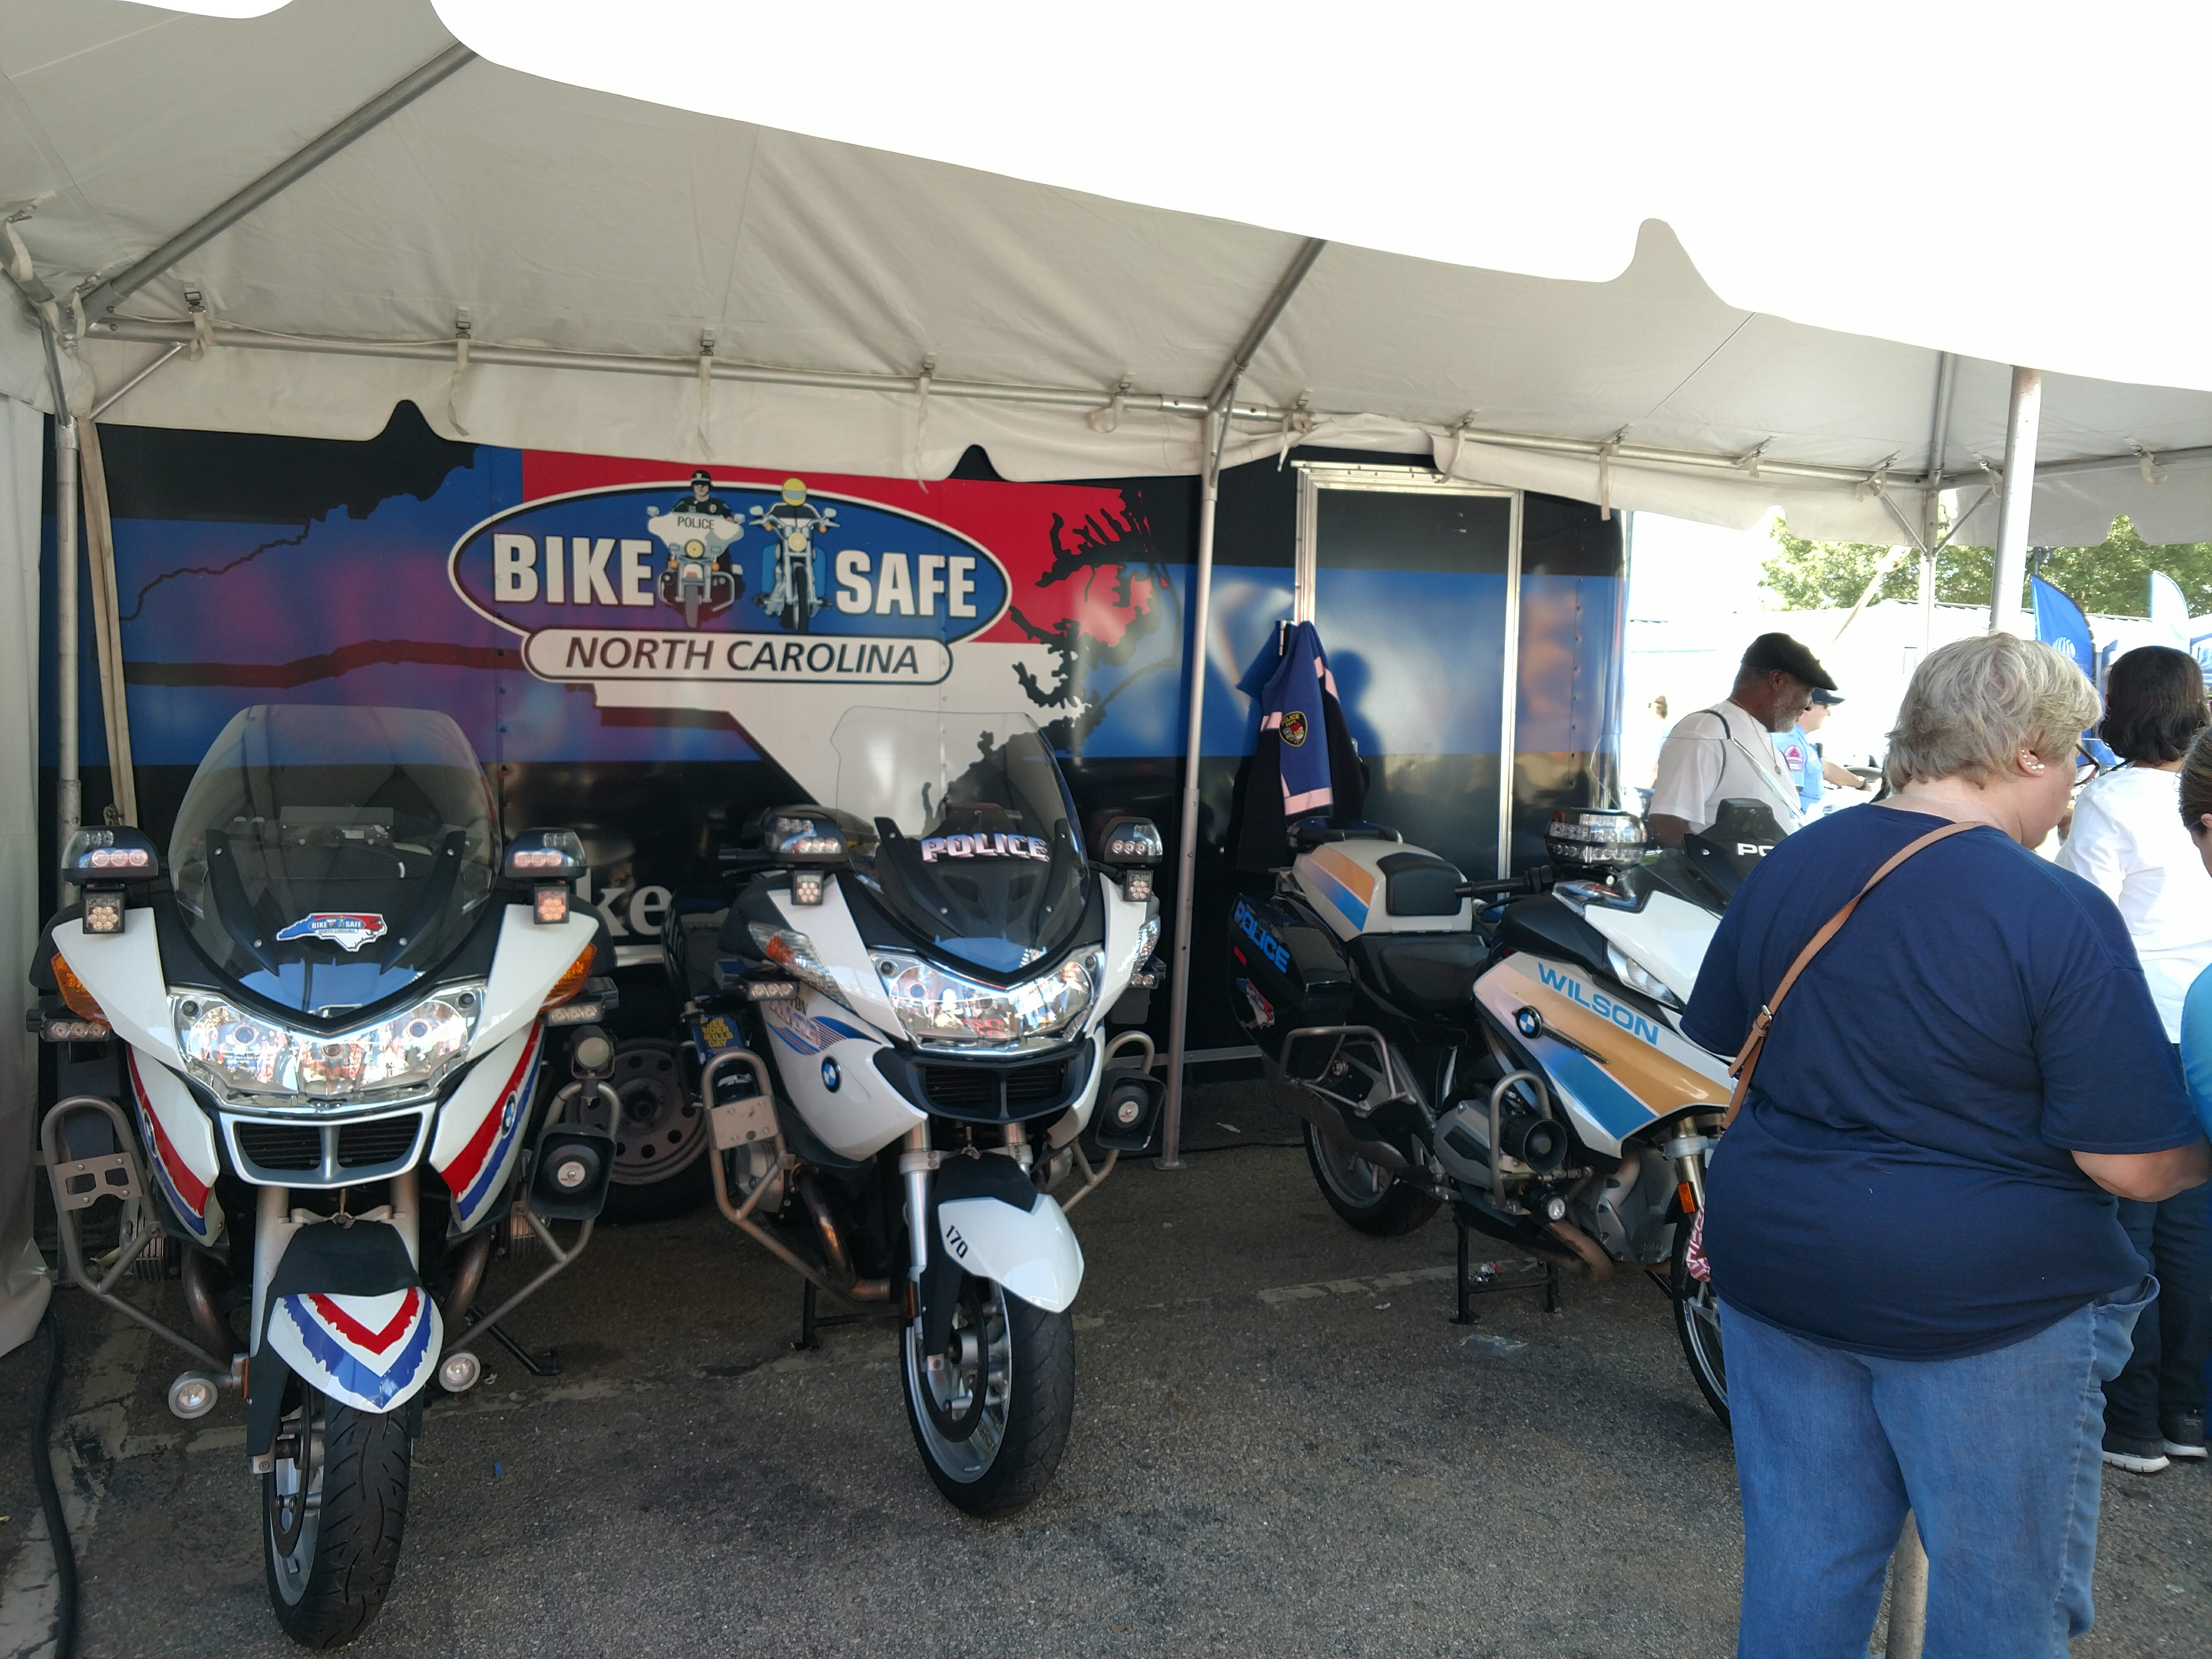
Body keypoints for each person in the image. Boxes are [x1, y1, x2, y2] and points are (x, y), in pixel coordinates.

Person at [1683, 632, 2210, 1658]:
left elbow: (1725, 1041)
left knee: (1803, 1566)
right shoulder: (2052, 908)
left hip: (1778, 1264)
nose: (2069, 788)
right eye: (2071, 758)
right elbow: (2131, 1166)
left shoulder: (1796, 861)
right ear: (2024, 750)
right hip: (1986, 1304)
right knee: (1999, 1600)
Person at [1648, 632, 1832, 847]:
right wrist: (1711, 867)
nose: (1809, 705)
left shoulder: (1763, 737)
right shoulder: (1705, 733)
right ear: (1777, 680)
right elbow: (1667, 824)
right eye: (1807, 692)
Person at [1777, 688, 1874, 818]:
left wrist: (1861, 784)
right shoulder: (1791, 745)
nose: (1829, 713)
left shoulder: (1797, 740)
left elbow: (1826, 769)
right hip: (1804, 822)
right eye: (1826, 706)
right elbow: (1789, 801)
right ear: (1807, 708)